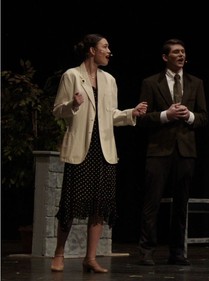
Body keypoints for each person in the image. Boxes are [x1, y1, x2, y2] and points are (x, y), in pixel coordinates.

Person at [50, 33, 148, 273]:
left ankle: (90, 258)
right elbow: (57, 110)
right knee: (71, 204)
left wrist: (130, 114)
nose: (109, 51)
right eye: (105, 47)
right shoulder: (72, 75)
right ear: (92, 50)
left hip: (104, 150)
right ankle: (59, 253)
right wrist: (72, 105)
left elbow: (111, 114)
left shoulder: (110, 80)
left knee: (100, 205)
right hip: (81, 148)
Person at [137, 38, 208, 266]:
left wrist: (189, 116)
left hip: (185, 150)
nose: (180, 55)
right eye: (176, 52)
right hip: (159, 150)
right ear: (165, 57)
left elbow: (204, 117)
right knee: (152, 203)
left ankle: (177, 252)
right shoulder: (151, 82)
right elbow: (142, 118)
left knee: (181, 204)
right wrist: (166, 115)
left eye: (183, 52)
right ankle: (147, 251)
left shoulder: (196, 83)